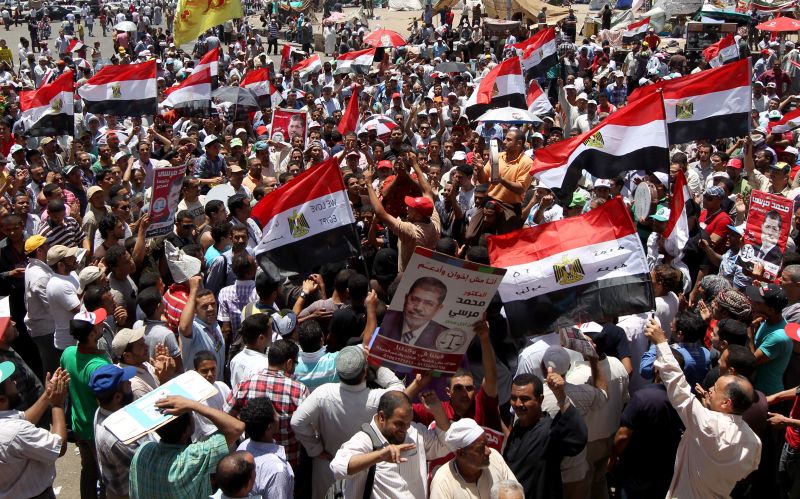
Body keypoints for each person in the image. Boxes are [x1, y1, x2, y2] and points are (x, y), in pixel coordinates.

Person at [643, 318, 762, 497]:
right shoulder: (754, 443)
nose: (710, 392)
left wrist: (661, 342)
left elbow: (679, 387)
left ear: (726, 403)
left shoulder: (706, 424)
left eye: (715, 389)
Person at [291, 345, 406, 498]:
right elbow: (400, 390)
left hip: (327, 467)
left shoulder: (323, 393)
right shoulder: (377, 398)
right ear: (365, 372)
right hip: (363, 467)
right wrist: (377, 365)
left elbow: (297, 422)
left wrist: (315, 448)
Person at [330, 390, 452, 498]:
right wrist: (380, 456)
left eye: (408, 423)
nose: (405, 429)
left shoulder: (415, 432)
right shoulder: (364, 440)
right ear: (382, 417)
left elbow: (445, 445)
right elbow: (337, 468)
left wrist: (438, 411)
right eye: (399, 424)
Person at [128, 395, 245, 499]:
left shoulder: (143, 451)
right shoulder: (191, 458)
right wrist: (193, 405)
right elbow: (237, 427)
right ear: (187, 430)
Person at [503, 372, 588, 499]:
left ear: (540, 399)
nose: (518, 404)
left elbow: (578, 438)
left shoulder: (550, 432)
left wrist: (561, 396)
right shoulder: (517, 427)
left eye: (525, 399)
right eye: (514, 398)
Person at [60, 310, 112, 499]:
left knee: (88, 472)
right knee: (106, 477)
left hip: (80, 426)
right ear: (91, 335)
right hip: (98, 431)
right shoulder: (99, 366)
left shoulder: (68, 353)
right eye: (98, 324)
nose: (102, 325)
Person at [0, 362, 69, 499]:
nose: (14, 381)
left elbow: (24, 419)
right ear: (1, 399)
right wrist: (57, 405)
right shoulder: (15, 432)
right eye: (8, 381)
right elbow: (58, 446)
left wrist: (47, 394)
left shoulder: (9, 425)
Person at [90, 364, 154, 499]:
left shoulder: (103, 410)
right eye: (126, 383)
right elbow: (151, 465)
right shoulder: (118, 438)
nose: (131, 383)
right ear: (118, 397)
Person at [430, 418, 517, 498]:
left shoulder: (495, 457)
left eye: (487, 444)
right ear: (460, 454)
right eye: (480, 448)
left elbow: (515, 492)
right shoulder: (442, 481)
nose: (488, 451)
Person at [237, 397, 295, 499]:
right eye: (275, 413)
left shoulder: (243, 446)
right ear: (269, 427)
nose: (278, 415)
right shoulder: (276, 470)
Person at [746, 282, 792, 395]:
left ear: (771, 310)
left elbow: (751, 362)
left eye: (758, 302)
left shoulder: (779, 337)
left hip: (765, 395)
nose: (753, 303)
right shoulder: (766, 319)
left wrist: (750, 333)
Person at [380, 276, 449, 347]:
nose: (419, 308)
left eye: (429, 303)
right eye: (415, 299)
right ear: (406, 298)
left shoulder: (446, 337)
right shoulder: (387, 319)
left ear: (438, 308)